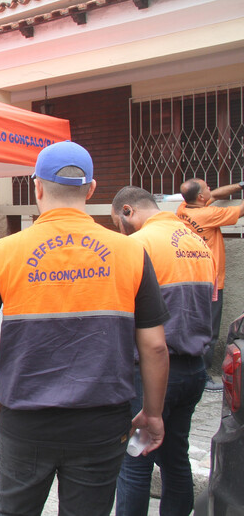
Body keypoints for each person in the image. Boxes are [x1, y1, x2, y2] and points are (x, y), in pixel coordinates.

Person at [0, 140, 170, 516]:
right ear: (91, 190)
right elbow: (154, 348)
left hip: (26, 417)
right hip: (102, 421)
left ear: (36, 187)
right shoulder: (131, 251)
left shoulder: (4, 251)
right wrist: (152, 412)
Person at [111, 186, 216, 515]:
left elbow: (121, 313)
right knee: (175, 459)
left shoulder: (138, 244)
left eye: (118, 222)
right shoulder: (197, 241)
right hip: (194, 370)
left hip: (153, 374)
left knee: (134, 464)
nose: (120, 230)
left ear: (128, 211)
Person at [176, 178, 244, 392]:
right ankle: (202, 374)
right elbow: (241, 210)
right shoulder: (208, 215)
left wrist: (240, 186)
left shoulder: (183, 208)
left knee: (193, 326)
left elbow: (214, 196)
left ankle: (188, 369)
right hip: (211, 282)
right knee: (210, 330)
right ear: (200, 197)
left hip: (192, 277)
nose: (211, 190)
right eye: (207, 188)